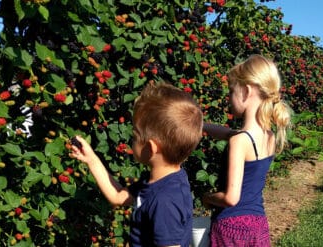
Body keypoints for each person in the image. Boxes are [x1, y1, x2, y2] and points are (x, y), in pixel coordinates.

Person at [70, 82, 203, 247]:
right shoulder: (157, 180)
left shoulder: (165, 201)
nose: (131, 140)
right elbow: (118, 197)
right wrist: (91, 159)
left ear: (151, 148)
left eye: (135, 136)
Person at [202, 54, 292, 246]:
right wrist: (200, 125)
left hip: (231, 227)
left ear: (246, 91)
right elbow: (228, 133)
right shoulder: (269, 137)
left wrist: (207, 197)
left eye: (231, 91)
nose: (228, 98)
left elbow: (231, 198)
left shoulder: (239, 141)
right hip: (258, 224)